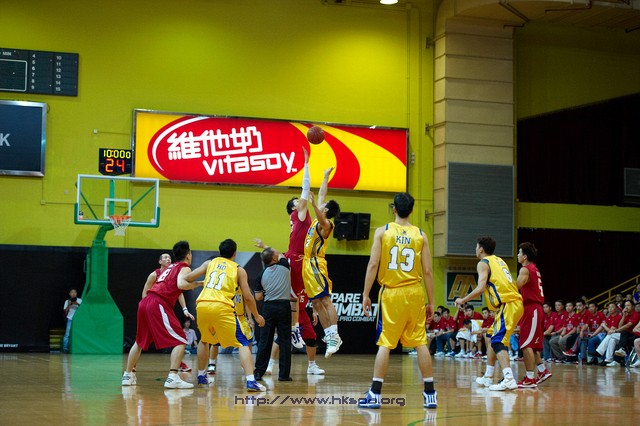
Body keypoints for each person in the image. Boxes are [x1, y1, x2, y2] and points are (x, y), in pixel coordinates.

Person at [359, 192, 437, 409]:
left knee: (385, 343)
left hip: (392, 293)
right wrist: (431, 302)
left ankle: (375, 394)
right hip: (415, 292)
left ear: (394, 209)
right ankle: (430, 394)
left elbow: (373, 265)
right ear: (411, 210)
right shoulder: (421, 235)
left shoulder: (382, 232)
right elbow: (428, 271)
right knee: (420, 342)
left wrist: (365, 294)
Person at [182, 239, 266, 392]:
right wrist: (257, 315)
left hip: (202, 304)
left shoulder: (209, 263)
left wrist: (200, 283)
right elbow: (248, 297)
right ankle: (251, 381)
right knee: (242, 342)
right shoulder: (238, 269)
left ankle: (201, 376)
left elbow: (188, 278)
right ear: (235, 253)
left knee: (204, 340)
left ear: (220, 252)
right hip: (222, 306)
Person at [121, 241, 202, 389]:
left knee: (139, 342)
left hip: (146, 302)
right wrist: (200, 283)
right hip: (158, 302)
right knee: (181, 339)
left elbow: (177, 287)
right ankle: (173, 377)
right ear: (188, 255)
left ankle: (127, 375)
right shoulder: (184, 267)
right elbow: (181, 285)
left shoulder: (170, 267)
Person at [455, 236, 523, 391]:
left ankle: (509, 378)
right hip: (511, 304)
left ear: (481, 249)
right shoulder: (499, 261)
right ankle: (488, 376)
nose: (475, 249)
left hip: (508, 304)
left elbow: (480, 288)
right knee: (491, 335)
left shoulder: (483, 263)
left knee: (498, 341)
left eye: (476, 247)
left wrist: (462, 300)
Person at [302, 168, 341, 357]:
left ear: (325, 210)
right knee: (316, 303)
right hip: (307, 265)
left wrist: (313, 205)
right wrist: (325, 176)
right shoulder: (319, 217)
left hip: (317, 264)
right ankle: (329, 335)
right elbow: (322, 194)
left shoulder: (327, 224)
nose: (320, 202)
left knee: (325, 299)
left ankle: (336, 336)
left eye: (322, 205)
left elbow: (320, 216)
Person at [141, 252, 195, 373]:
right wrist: (148, 308)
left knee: (174, 337)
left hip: (163, 307)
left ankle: (178, 364)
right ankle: (131, 368)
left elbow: (179, 292)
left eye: (170, 257)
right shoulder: (154, 275)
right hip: (153, 307)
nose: (168, 259)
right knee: (143, 340)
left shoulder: (174, 272)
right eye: (165, 257)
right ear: (160, 261)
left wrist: (185, 309)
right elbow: (145, 293)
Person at [253, 244, 294, 381]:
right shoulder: (284, 266)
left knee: (265, 341)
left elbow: (258, 297)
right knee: (285, 341)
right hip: (284, 307)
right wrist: (264, 246)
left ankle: (258, 372)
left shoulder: (261, 274)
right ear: (275, 258)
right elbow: (279, 253)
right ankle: (284, 375)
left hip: (269, 308)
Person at [514, 242, 551, 388]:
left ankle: (530, 378)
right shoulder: (534, 268)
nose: (518, 255)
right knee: (532, 345)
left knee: (526, 344)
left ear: (525, 256)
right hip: (534, 308)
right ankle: (542, 371)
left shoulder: (525, 269)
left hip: (532, 308)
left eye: (519, 252)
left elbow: (516, 286)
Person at [62, 288, 82, 353]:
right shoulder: (67, 301)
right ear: (69, 294)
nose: (73, 294)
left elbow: (83, 309)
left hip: (78, 320)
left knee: (78, 333)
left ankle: (78, 348)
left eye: (75, 292)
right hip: (70, 318)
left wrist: (77, 304)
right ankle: (65, 348)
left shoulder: (80, 300)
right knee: (67, 334)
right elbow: (65, 311)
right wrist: (69, 305)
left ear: (76, 293)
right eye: (72, 292)